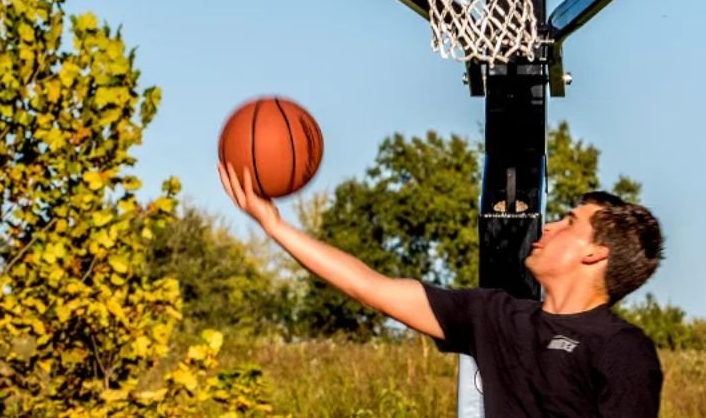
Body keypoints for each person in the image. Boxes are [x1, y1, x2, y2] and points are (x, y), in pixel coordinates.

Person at [219, 164, 666, 417]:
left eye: (568, 222)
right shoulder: (494, 316)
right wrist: (274, 226)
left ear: (595, 254)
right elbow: (368, 286)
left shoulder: (621, 348)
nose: (548, 226)